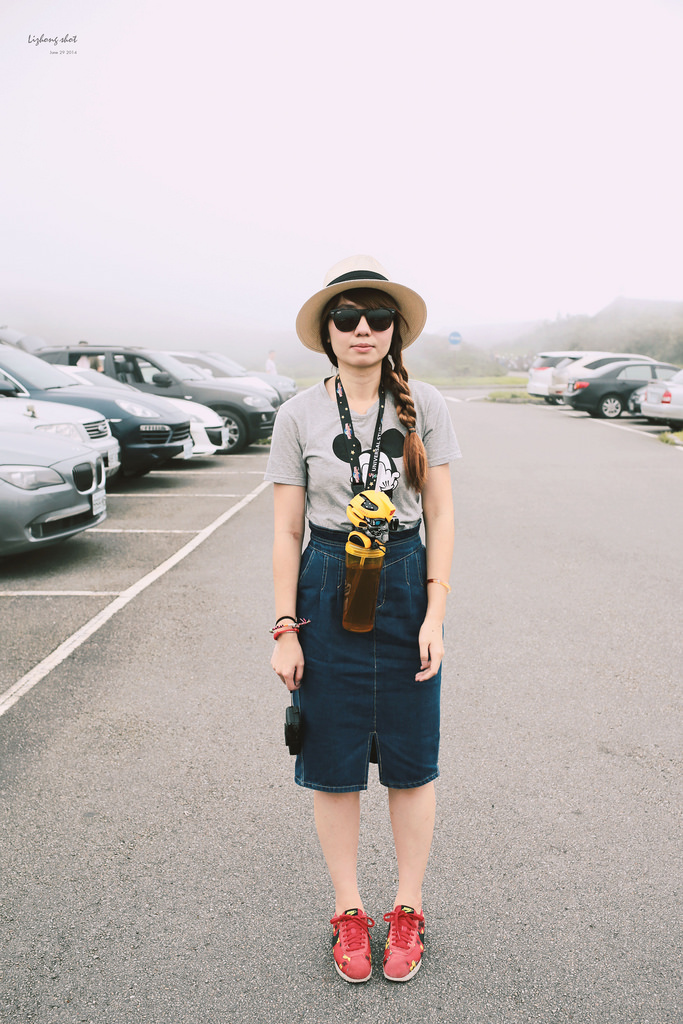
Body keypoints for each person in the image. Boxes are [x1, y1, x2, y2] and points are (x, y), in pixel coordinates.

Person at [265, 255, 460, 984]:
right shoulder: (298, 414)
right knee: (333, 762)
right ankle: (349, 910)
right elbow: (286, 529)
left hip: (404, 578)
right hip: (327, 579)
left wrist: (435, 614)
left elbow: (441, 514)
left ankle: (407, 907)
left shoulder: (425, 405)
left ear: (394, 331)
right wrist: (285, 626)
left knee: (411, 760)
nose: (362, 329)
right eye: (346, 317)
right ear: (326, 332)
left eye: (377, 317)